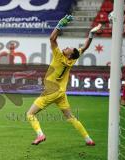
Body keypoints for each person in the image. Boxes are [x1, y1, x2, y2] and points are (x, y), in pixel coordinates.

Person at [26, 15, 101, 146]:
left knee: (30, 114)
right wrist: (90, 34)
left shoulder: (59, 56)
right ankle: (88, 139)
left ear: (69, 54)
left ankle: (40, 135)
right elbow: (85, 47)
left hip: (50, 92)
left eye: (68, 49)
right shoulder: (72, 60)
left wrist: (60, 24)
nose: (66, 47)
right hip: (61, 93)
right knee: (70, 117)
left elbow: (52, 38)